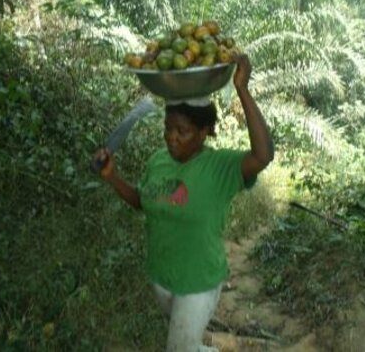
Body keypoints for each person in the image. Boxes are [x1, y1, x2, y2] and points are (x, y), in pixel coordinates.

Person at [94, 54, 274, 352]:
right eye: (168, 129)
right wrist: (112, 177)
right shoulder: (158, 161)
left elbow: (263, 155)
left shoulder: (221, 168)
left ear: (205, 132)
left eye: (182, 131)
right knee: (188, 346)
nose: (171, 139)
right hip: (162, 276)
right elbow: (144, 202)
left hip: (199, 281)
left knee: (178, 348)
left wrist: (242, 88)